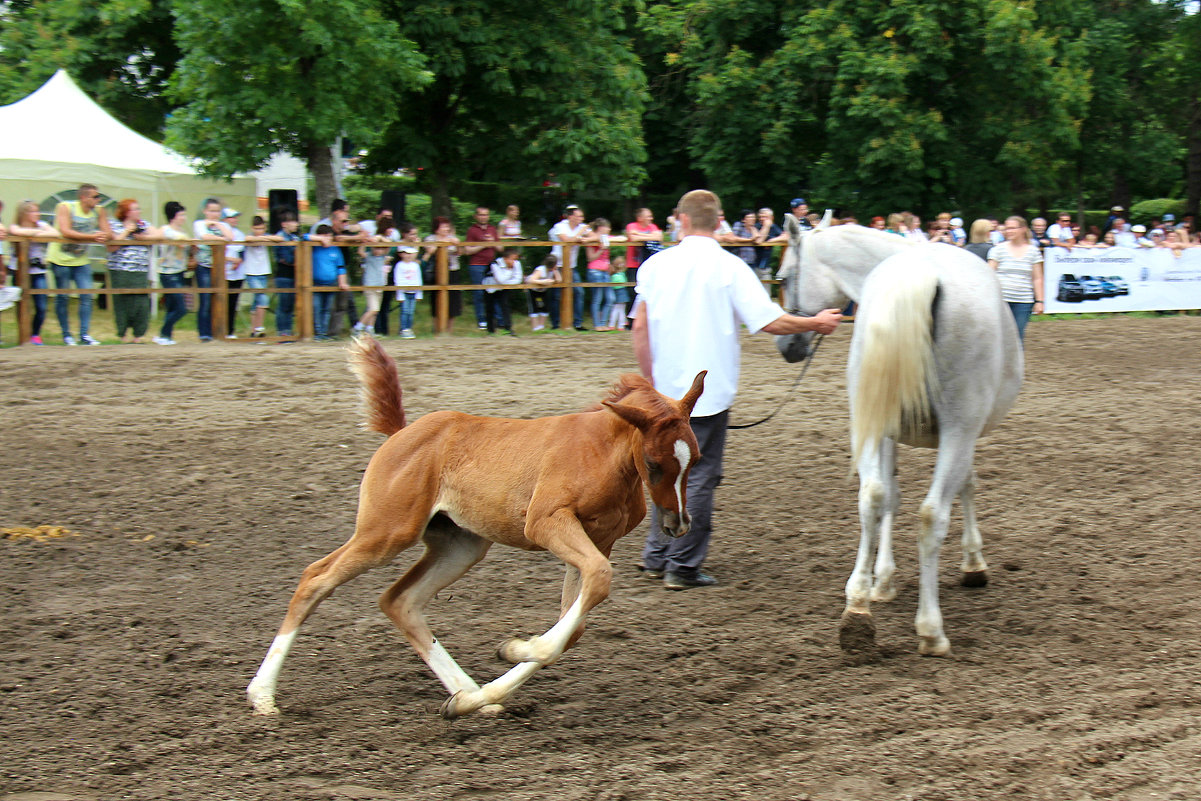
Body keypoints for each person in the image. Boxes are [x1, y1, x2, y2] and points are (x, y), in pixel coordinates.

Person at [631, 189, 842, 589]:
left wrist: (651, 384)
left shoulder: (655, 266)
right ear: (719, 220)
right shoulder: (729, 268)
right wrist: (814, 322)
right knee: (700, 476)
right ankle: (683, 566)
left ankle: (656, 557)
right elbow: (769, 321)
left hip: (662, 394)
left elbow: (639, 328)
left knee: (667, 470)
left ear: (682, 219)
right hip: (707, 394)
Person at [47, 183, 111, 345]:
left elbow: (108, 231)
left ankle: (84, 334)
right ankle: (66, 334)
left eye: (98, 196)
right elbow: (65, 231)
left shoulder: (99, 210)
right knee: (63, 297)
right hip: (60, 258)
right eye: (95, 196)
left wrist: (104, 236)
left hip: (81, 259)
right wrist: (92, 237)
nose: (98, 199)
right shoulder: (66, 207)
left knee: (87, 295)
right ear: (83, 197)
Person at [105, 198, 158, 344]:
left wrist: (143, 237)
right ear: (126, 212)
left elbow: (160, 235)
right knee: (122, 302)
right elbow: (112, 246)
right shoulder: (114, 225)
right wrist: (126, 231)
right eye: (135, 209)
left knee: (141, 302)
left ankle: (139, 335)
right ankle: (122, 334)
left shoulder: (143, 224)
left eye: (138, 208)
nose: (138, 211)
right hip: (120, 269)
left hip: (140, 269)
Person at [8, 200, 60, 345]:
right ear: (24, 213)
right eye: (33, 211)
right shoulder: (15, 225)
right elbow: (16, 232)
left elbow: (55, 233)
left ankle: (35, 334)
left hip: (38, 271)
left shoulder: (43, 224)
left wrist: (34, 233)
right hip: (20, 271)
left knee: (41, 306)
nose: (37, 214)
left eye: (37, 211)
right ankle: (23, 335)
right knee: (22, 304)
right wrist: (38, 234)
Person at [986, 215, 1044, 344]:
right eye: (1007, 228)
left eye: (1012, 228)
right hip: (1001, 300)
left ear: (1023, 229)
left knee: (1017, 335)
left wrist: (1040, 300)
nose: (1009, 231)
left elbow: (1037, 278)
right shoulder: (998, 250)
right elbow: (989, 274)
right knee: (999, 334)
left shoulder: (1033, 251)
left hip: (1023, 301)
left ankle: (1015, 364)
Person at [192, 198, 234, 342]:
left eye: (217, 211)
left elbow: (230, 237)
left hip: (219, 267)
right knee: (205, 300)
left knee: (219, 299)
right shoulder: (199, 224)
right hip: (204, 265)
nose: (214, 214)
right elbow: (204, 237)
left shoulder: (222, 224)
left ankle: (217, 331)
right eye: (211, 211)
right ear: (205, 211)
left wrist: (219, 226)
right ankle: (204, 332)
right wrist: (221, 238)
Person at [153, 201, 191, 345]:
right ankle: (163, 333)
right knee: (181, 308)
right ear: (173, 216)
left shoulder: (183, 233)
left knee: (172, 306)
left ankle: (166, 336)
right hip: (168, 272)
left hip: (180, 271)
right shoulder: (165, 230)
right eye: (181, 214)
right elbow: (179, 243)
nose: (184, 217)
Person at [549, 205, 590, 330]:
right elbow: (567, 240)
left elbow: (596, 236)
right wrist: (580, 236)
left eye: (582, 216)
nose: (581, 219)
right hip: (558, 265)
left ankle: (577, 323)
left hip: (572, 266)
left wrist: (585, 240)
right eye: (578, 216)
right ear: (571, 217)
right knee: (556, 295)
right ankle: (555, 324)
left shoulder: (582, 227)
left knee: (579, 292)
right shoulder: (560, 226)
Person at [355, 216, 396, 336]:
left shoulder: (384, 252)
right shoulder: (369, 256)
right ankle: (358, 327)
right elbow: (362, 250)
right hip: (370, 283)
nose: (378, 250)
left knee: (374, 309)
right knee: (374, 309)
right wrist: (366, 242)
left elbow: (388, 246)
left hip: (380, 282)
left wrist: (382, 240)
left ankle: (370, 329)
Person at [242, 215, 282, 338]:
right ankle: (259, 327)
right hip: (251, 272)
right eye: (257, 229)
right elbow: (248, 239)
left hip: (263, 272)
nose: (259, 231)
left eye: (262, 228)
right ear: (252, 228)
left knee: (257, 301)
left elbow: (279, 238)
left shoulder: (266, 236)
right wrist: (261, 238)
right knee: (262, 298)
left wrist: (264, 237)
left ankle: (254, 331)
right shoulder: (249, 237)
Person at [311, 224, 349, 341]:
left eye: (329, 236)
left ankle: (324, 332)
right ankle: (318, 333)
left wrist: (342, 282)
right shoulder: (313, 247)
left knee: (327, 309)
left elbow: (341, 267)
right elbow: (305, 237)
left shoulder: (335, 249)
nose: (328, 239)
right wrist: (320, 239)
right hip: (316, 284)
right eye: (325, 236)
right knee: (316, 308)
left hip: (330, 283)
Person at [464, 206, 500, 329]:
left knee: (494, 292)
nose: (483, 217)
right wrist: (483, 245)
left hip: (492, 265)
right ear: (476, 216)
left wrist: (493, 242)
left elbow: (500, 249)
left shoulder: (492, 229)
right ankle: (482, 320)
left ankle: (497, 319)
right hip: (477, 265)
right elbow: (467, 250)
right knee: (479, 293)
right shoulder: (472, 230)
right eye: (481, 215)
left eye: (486, 215)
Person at [423, 216, 462, 326]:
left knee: (453, 303)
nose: (446, 229)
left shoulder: (453, 238)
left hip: (453, 270)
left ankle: (449, 331)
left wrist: (457, 245)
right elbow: (430, 250)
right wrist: (442, 242)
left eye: (447, 226)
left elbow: (459, 253)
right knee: (437, 302)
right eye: (443, 226)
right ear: (437, 228)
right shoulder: (430, 239)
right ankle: (437, 329)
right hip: (437, 272)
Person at [585, 218, 619, 330]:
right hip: (595, 270)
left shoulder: (605, 239)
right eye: (607, 227)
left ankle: (603, 323)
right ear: (600, 228)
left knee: (610, 298)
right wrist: (600, 250)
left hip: (605, 271)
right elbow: (590, 258)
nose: (609, 229)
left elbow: (623, 238)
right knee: (597, 298)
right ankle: (597, 325)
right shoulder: (591, 240)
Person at [272, 211, 302, 337]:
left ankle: (288, 331)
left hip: (293, 275)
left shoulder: (294, 238)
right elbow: (287, 259)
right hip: (283, 275)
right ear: (284, 224)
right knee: (283, 304)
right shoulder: (281, 237)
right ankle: (282, 331)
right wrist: (297, 257)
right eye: (293, 221)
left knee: (290, 305)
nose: (296, 224)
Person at [221, 208, 246, 338]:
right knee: (221, 302)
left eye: (235, 217)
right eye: (232, 217)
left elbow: (242, 251)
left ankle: (230, 330)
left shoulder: (239, 234)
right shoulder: (219, 233)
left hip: (237, 273)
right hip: (223, 273)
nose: (235, 220)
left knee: (233, 303)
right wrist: (232, 260)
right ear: (224, 219)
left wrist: (239, 261)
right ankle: (220, 329)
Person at [486, 247, 522, 335]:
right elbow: (500, 280)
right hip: (490, 287)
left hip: (504, 287)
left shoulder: (516, 263)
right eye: (512, 259)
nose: (514, 262)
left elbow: (518, 278)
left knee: (505, 306)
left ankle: (508, 328)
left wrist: (508, 283)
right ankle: (491, 331)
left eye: (515, 259)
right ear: (505, 258)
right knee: (490, 308)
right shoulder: (495, 264)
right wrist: (509, 270)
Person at [392, 245, 423, 339]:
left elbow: (418, 279)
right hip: (404, 292)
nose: (408, 256)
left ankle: (409, 328)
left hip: (413, 292)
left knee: (411, 311)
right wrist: (399, 294)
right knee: (404, 311)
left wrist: (419, 293)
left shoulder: (416, 265)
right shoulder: (399, 265)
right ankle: (404, 329)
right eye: (406, 253)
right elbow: (397, 280)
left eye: (410, 254)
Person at [524, 255, 559, 331]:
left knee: (545, 308)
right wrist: (543, 282)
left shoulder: (553, 271)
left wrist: (555, 271)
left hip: (542, 290)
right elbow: (531, 280)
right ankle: (535, 328)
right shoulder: (540, 270)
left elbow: (559, 280)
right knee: (533, 308)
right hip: (532, 290)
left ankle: (541, 327)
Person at [624, 207, 663, 272]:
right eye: (648, 216)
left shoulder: (652, 226)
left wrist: (638, 234)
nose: (651, 218)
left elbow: (659, 237)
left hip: (649, 264)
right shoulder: (631, 226)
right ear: (640, 218)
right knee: (633, 282)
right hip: (633, 265)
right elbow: (634, 238)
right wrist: (651, 236)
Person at [606, 254, 630, 331]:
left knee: (618, 310)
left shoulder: (616, 275)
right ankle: (618, 325)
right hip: (620, 293)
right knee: (619, 310)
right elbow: (622, 283)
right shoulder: (618, 275)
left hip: (620, 293)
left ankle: (616, 325)